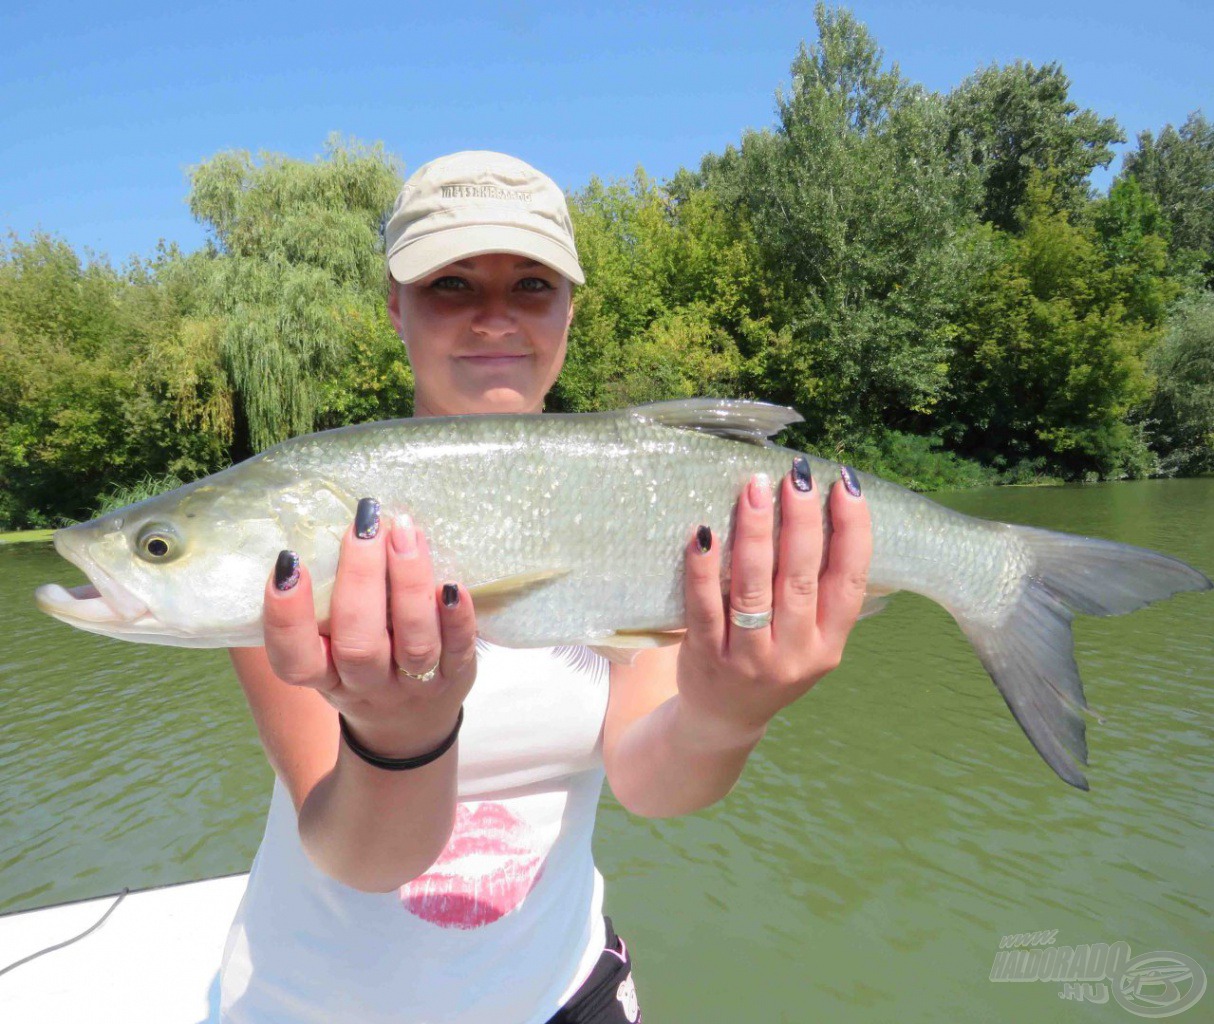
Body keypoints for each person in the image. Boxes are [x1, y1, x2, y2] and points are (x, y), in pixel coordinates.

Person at [218, 151, 872, 1023]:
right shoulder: (301, 527)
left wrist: (726, 715)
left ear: (569, 308)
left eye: (531, 285)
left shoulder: (633, 504)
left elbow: (651, 781)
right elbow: (360, 856)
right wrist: (398, 736)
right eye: (451, 285)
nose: (495, 318)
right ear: (394, 306)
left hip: (568, 997)